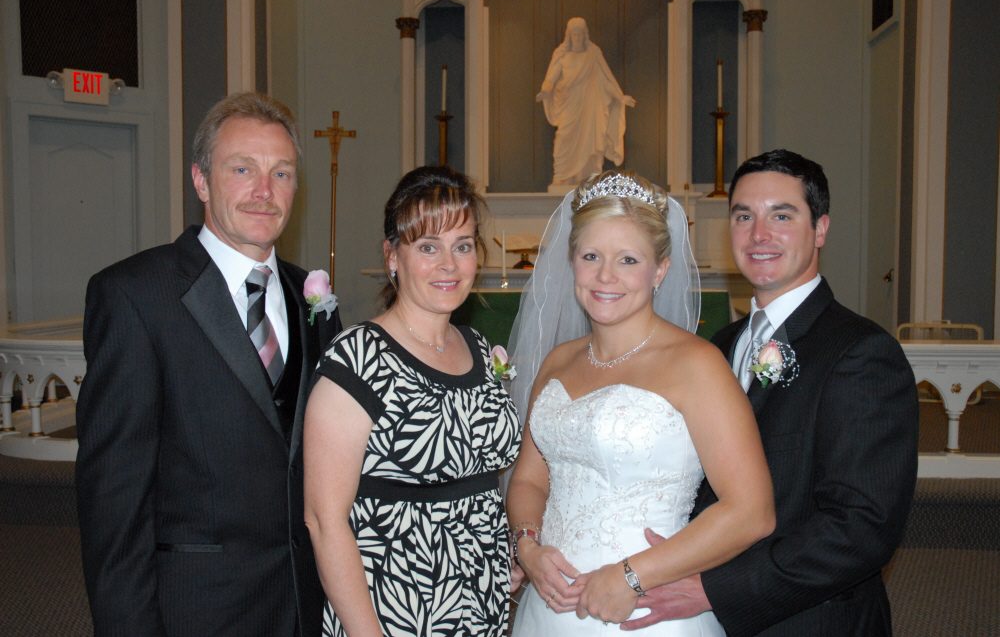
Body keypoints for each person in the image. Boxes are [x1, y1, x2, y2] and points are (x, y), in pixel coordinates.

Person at [75, 91, 342, 637]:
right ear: (200, 181)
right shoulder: (135, 296)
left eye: (282, 173)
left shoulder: (313, 300)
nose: (264, 191)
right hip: (196, 608)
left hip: (306, 603)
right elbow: (114, 501)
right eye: (242, 169)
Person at [621, 149, 919, 636]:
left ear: (820, 229)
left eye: (782, 216)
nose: (759, 234)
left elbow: (862, 527)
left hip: (808, 620)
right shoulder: (717, 347)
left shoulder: (861, 353)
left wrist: (714, 590)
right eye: (744, 216)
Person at [505, 170, 775, 634]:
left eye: (628, 259)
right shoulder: (557, 362)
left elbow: (752, 512)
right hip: (548, 606)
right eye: (591, 256)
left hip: (645, 607)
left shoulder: (696, 365)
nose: (605, 276)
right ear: (572, 261)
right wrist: (528, 546)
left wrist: (631, 575)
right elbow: (529, 479)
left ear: (660, 270)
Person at [303, 166, 522, 636]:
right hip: (394, 610)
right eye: (428, 247)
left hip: (480, 608)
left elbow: (480, 483)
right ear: (393, 256)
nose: (449, 265)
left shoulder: (479, 349)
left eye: (462, 246)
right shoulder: (358, 359)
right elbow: (324, 520)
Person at [538, 17, 636, 186]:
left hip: (590, 111)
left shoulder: (593, 55)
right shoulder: (562, 55)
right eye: (574, 34)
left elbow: (605, 81)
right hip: (569, 107)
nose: (577, 37)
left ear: (585, 35)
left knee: (590, 142)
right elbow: (551, 78)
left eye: (580, 34)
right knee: (563, 139)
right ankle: (563, 176)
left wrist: (620, 97)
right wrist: (545, 91)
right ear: (569, 36)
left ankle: (587, 178)